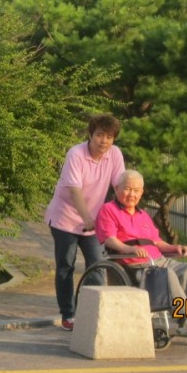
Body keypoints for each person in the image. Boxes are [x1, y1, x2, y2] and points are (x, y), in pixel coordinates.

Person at [95, 169, 187, 333]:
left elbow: (156, 242)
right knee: (166, 273)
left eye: (136, 190)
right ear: (117, 188)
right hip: (136, 265)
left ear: (141, 192)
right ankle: (186, 318)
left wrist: (175, 248)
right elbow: (109, 239)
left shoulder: (142, 214)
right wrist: (130, 249)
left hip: (159, 260)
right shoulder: (108, 210)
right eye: (127, 189)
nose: (131, 194)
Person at [44, 114, 124, 331]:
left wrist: (124, 214)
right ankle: (68, 314)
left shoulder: (115, 154)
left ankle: (91, 312)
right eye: (99, 135)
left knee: (97, 265)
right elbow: (74, 190)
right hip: (65, 218)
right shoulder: (76, 154)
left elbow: (119, 185)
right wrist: (88, 218)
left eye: (109, 137)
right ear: (90, 134)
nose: (104, 141)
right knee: (66, 266)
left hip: (95, 222)